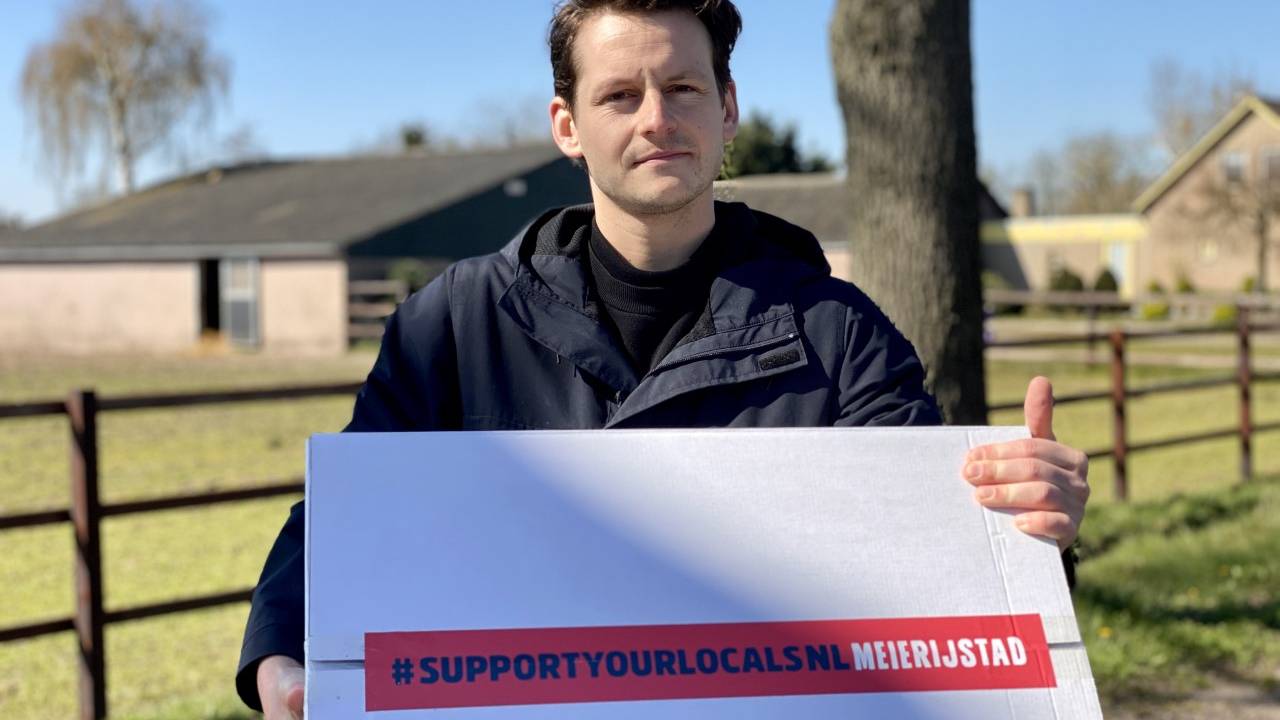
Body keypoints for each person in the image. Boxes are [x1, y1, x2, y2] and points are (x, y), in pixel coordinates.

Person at [237, 1, 1090, 717]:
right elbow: (347, 513)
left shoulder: (839, 334)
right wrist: (279, 651)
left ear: (727, 109)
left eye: (682, 86)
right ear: (568, 126)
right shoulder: (453, 322)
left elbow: (942, 564)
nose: (656, 117)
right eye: (619, 94)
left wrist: (1029, 532)